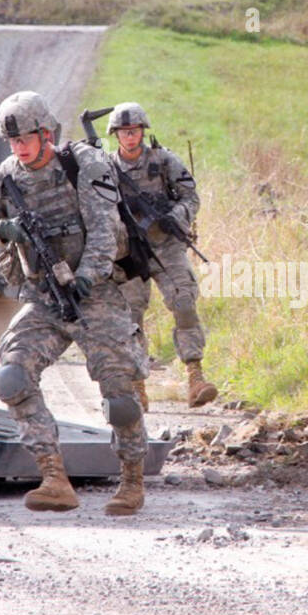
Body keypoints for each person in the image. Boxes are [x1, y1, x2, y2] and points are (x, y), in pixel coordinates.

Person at [0, 91, 149, 516]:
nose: (19, 149)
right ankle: (54, 478)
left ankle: (132, 481)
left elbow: (104, 230)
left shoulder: (83, 166)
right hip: (43, 298)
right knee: (12, 374)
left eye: (25, 139)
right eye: (13, 143)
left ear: (46, 133)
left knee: (120, 396)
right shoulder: (4, 178)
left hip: (93, 293)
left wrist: (85, 277)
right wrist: (0, 232)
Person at [107, 102, 218, 409]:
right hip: (129, 250)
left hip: (166, 244)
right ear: (115, 135)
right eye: (124, 132)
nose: (130, 137)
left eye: (135, 130)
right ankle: (137, 386)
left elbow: (190, 197)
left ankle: (195, 376)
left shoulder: (163, 160)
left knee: (183, 301)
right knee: (130, 318)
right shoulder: (105, 168)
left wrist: (176, 216)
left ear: (143, 130)